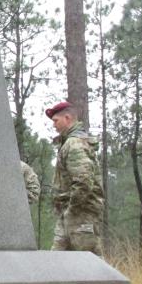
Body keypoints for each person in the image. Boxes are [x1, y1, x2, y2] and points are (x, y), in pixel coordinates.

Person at [45, 100, 104, 255]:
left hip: (80, 215)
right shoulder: (69, 143)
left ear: (67, 118)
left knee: (88, 264)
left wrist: (72, 210)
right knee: (57, 262)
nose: (54, 125)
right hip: (70, 215)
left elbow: (83, 181)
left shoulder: (75, 144)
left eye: (56, 120)